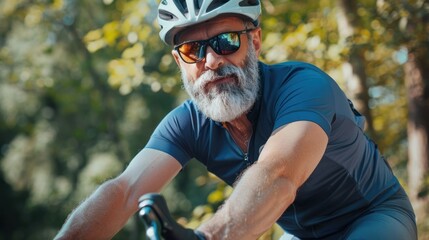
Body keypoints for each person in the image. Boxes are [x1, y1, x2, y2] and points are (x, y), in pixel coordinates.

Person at [55, 0, 417, 239]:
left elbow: (278, 173)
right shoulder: (187, 123)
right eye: (191, 49)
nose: (211, 61)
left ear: (255, 40)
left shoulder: (303, 87)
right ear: (178, 62)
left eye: (226, 41)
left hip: (373, 217)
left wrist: (206, 237)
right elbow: (123, 192)